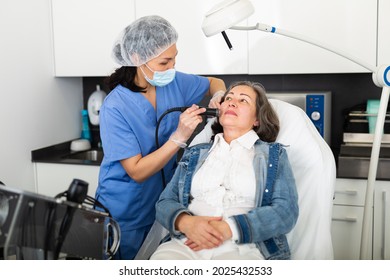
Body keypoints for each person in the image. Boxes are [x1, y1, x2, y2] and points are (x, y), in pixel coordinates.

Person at [95, 15, 226, 260]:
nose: (172, 68)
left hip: (164, 206)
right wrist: (178, 137)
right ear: (137, 58)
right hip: (126, 210)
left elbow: (213, 82)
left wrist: (218, 94)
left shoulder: (173, 82)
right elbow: (136, 171)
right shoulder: (115, 106)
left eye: (174, 59)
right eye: (165, 62)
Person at [150, 81, 299, 260]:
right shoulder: (195, 153)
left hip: (244, 247)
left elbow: (285, 212)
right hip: (187, 244)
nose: (232, 102)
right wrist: (186, 222)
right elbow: (165, 202)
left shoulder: (274, 155)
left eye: (243, 100)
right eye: (228, 98)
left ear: (256, 120)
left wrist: (229, 228)